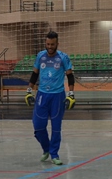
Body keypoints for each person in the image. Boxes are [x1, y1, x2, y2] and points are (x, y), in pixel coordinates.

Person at [25, 31, 75, 166]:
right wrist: (29, 91)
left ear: (57, 44)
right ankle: (46, 148)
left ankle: (54, 154)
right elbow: (34, 75)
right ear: (45, 44)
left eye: (53, 44)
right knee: (38, 126)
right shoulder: (40, 56)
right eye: (48, 44)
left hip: (58, 96)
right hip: (42, 95)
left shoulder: (63, 57)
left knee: (56, 127)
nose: (50, 47)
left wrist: (71, 94)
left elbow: (70, 76)